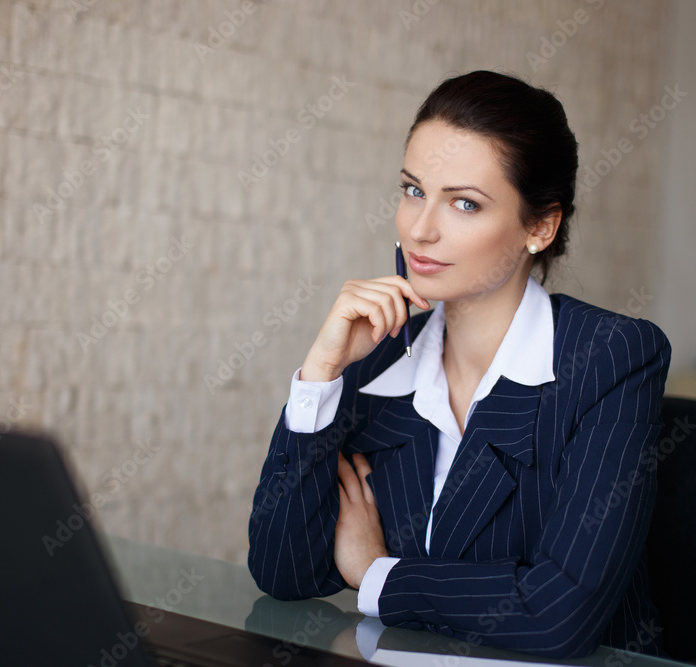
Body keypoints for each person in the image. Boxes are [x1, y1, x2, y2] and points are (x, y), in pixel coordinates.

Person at [247, 70, 671, 659]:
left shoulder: (611, 359)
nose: (420, 230)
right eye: (414, 190)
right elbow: (284, 572)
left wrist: (377, 575)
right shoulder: (381, 356)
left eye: (464, 203)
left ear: (541, 227)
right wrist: (321, 374)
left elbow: (558, 616)